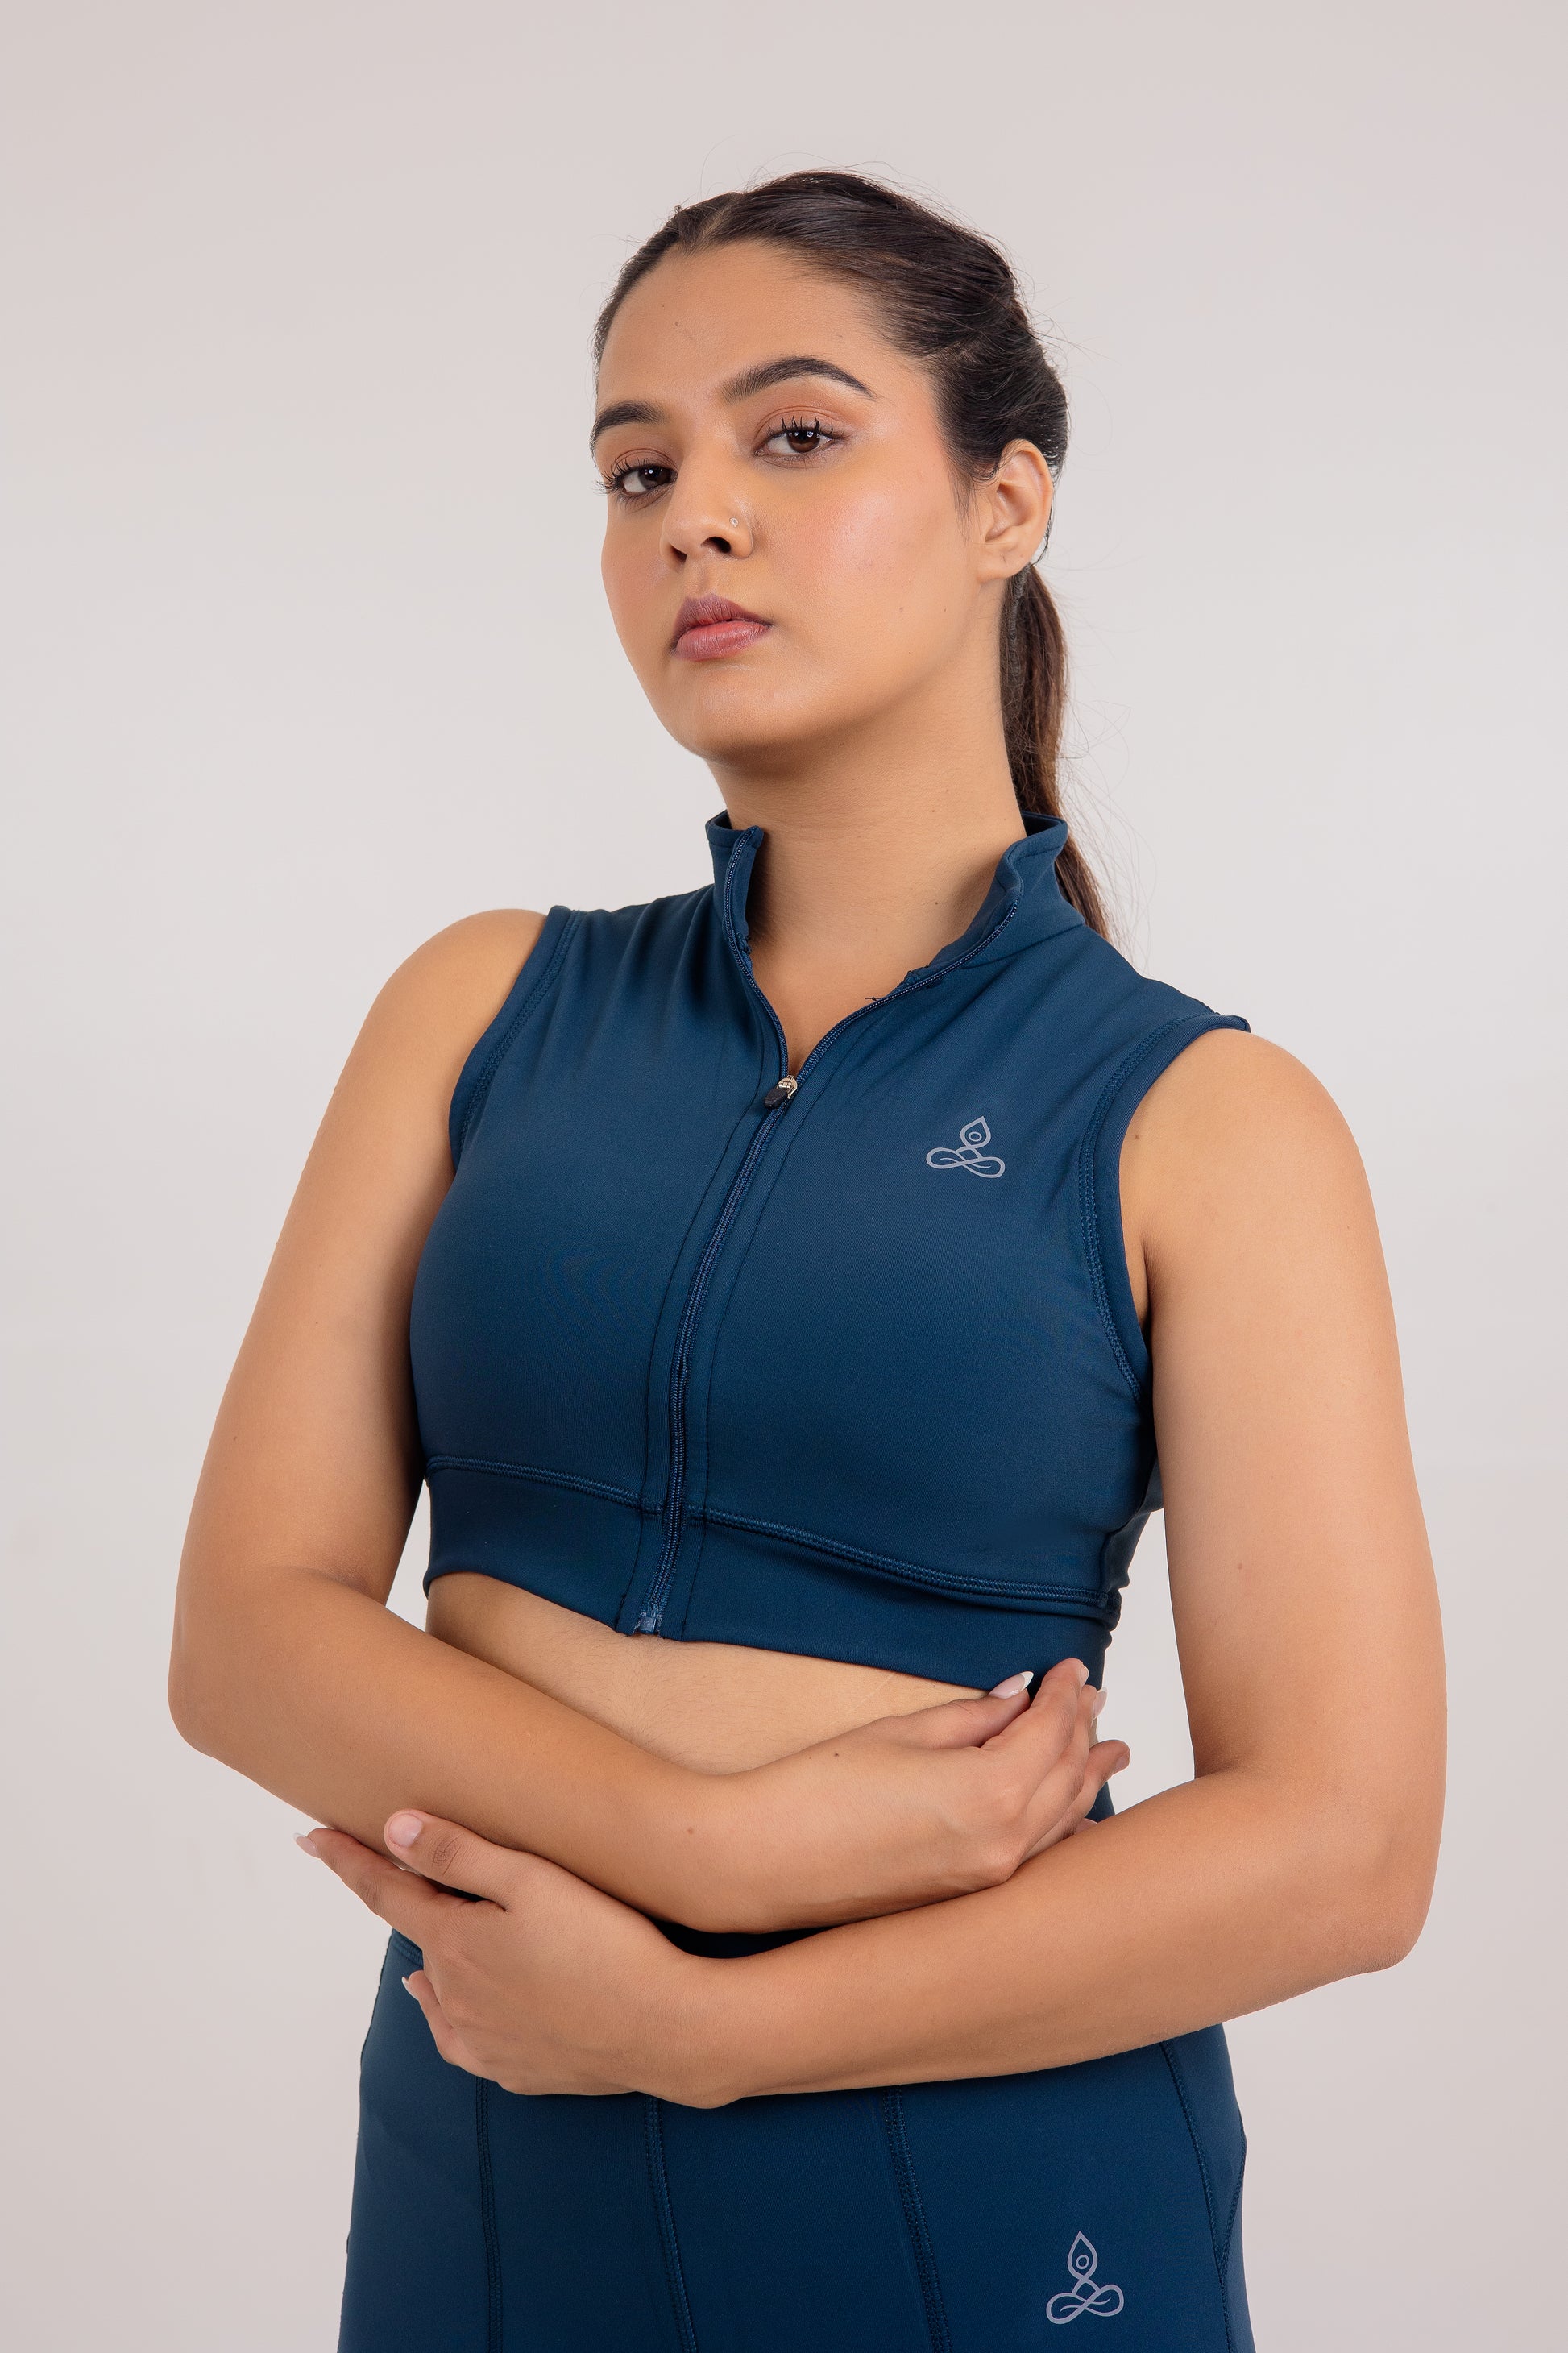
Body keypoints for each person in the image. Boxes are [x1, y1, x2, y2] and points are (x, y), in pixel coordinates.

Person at [168, 171, 1446, 2352]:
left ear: (1004, 502)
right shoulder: (479, 1011)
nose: (697, 518)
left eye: (795, 436)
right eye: (636, 471)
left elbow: (1343, 1849)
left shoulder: (1211, 1122)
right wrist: (714, 1854)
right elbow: (241, 1641)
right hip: (490, 2169)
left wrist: (705, 2025)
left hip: (988, 2209)